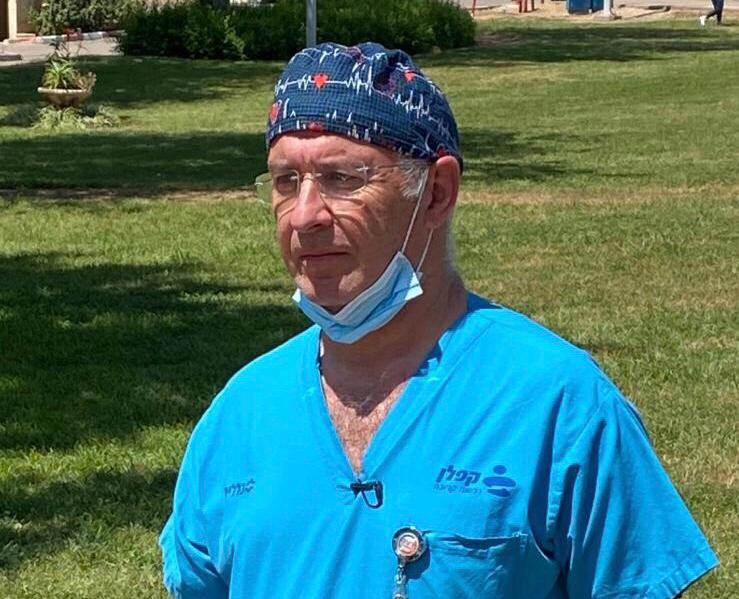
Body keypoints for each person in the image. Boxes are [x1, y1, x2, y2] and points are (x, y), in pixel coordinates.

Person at [159, 42, 718, 598]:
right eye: (286, 181)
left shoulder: (557, 405)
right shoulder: (242, 414)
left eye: (342, 178)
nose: (304, 216)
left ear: (436, 194)